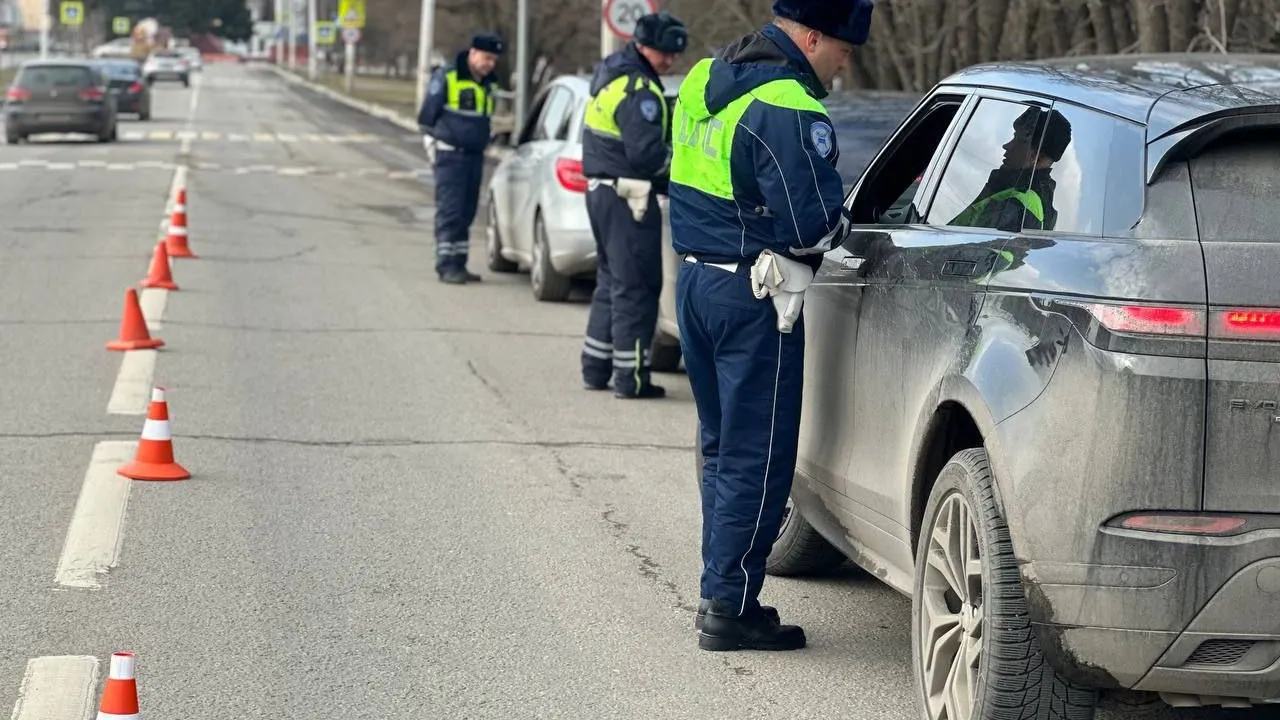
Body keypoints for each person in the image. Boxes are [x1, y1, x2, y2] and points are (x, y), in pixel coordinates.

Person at [668, 0, 874, 651]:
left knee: (722, 446)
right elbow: (812, 225)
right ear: (812, 36)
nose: (845, 60)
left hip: (697, 284)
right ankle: (729, 606)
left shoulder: (705, 77)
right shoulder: (788, 105)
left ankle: (719, 586)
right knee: (757, 458)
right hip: (755, 297)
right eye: (842, 45)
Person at [579, 12, 688, 399]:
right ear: (645, 46)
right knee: (638, 286)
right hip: (629, 197)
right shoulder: (638, 89)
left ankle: (596, 366)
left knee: (611, 282)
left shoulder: (614, 76)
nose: (669, 61)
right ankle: (632, 378)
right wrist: (680, 175)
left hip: (604, 192)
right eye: (664, 53)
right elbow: (645, 156)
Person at [418, 32, 505, 285]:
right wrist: (432, 146)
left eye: (494, 59)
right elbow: (427, 116)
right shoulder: (448, 76)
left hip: (475, 156)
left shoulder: (489, 83)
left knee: (467, 211)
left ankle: (460, 263)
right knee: (451, 211)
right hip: (450, 155)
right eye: (487, 58)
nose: (490, 64)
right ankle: (446, 265)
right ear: (473, 53)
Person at [951, 106, 1071, 232]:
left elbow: (984, 250)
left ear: (1036, 158)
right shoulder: (1023, 196)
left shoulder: (1019, 205)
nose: (1007, 146)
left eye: (1018, 140)